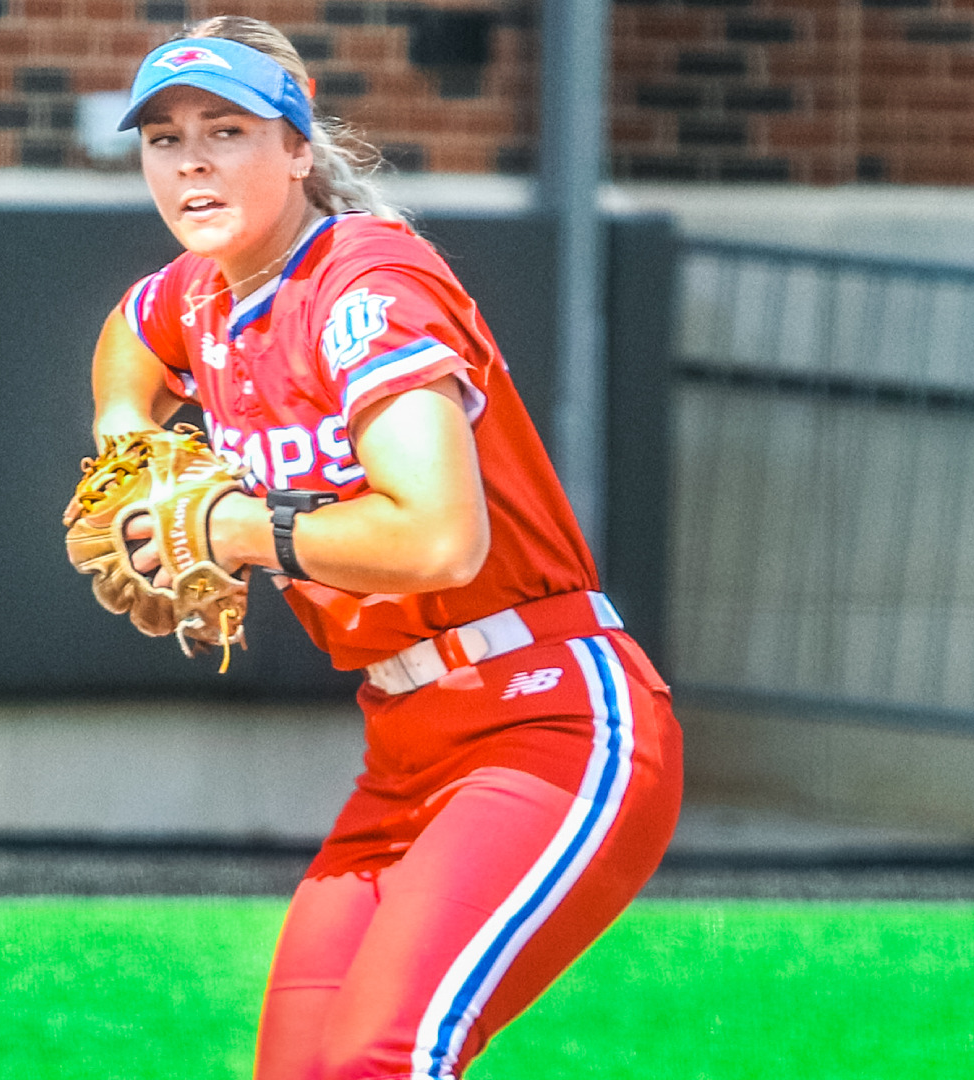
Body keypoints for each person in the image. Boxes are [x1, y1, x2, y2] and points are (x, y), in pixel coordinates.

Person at [85, 16, 684, 1079]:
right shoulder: (211, 293)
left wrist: (237, 527)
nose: (191, 162)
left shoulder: (365, 288)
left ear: (298, 146)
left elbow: (442, 539)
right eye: (165, 138)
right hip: (407, 745)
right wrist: (128, 444)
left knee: (384, 1058)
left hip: (545, 718)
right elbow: (133, 330)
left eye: (226, 130)